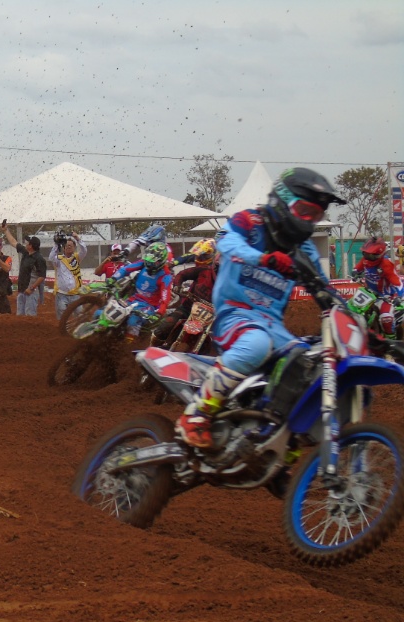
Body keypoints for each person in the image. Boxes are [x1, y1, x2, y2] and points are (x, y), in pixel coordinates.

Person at [176, 167, 347, 449]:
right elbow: (227, 242)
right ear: (283, 199)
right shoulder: (250, 221)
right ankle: (197, 413)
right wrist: (264, 258)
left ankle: (280, 447)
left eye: (316, 215)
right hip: (235, 314)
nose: (309, 221)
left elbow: (325, 289)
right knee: (256, 344)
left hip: (274, 328)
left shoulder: (304, 251)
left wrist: (357, 322)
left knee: (308, 365)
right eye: (304, 210)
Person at [150, 239, 217, 347]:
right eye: (199, 256)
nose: (199, 259)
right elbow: (182, 273)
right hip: (188, 307)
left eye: (203, 257)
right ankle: (152, 348)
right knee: (166, 325)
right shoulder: (202, 270)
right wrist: (177, 286)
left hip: (213, 315)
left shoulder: (228, 280)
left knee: (220, 340)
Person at [107, 240, 173, 342]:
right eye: (148, 260)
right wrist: (114, 278)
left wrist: (159, 313)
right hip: (133, 298)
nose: (150, 264)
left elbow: (165, 297)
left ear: (161, 261)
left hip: (149, 306)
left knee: (133, 321)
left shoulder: (165, 276)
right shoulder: (143, 264)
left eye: (153, 262)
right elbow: (126, 269)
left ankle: (128, 345)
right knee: (110, 311)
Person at [351, 236, 403, 338]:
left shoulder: (386, 265)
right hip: (368, 293)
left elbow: (398, 283)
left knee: (386, 319)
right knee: (350, 308)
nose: (367, 257)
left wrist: (399, 296)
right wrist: (355, 272)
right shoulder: (365, 260)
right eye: (365, 254)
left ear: (378, 255)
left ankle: (391, 342)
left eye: (370, 255)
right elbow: (358, 268)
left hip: (385, 296)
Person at [2, 222, 47, 316]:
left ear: (31, 246)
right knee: (20, 317)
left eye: (28, 242)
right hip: (22, 291)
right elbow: (13, 242)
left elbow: (42, 276)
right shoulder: (26, 252)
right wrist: (6, 230)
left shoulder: (39, 259)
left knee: (29, 316)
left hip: (31, 292)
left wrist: (31, 288)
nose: (26, 243)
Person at [49, 230, 88, 319]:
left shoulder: (77, 257)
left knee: (80, 317)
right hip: (61, 294)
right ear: (63, 248)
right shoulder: (58, 259)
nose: (68, 246)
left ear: (74, 248)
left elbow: (84, 250)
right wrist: (56, 244)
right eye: (66, 245)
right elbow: (51, 257)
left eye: (71, 245)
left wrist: (77, 238)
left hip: (75, 294)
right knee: (62, 319)